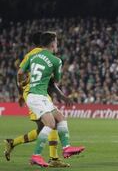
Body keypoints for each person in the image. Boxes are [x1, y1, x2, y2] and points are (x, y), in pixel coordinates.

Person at [4, 32, 72, 167]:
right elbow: (20, 74)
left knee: (46, 127)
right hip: (34, 93)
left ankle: (13, 143)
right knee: (50, 125)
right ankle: (53, 158)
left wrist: (59, 95)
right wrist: (21, 93)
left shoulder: (39, 54)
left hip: (40, 94)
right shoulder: (35, 54)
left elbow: (49, 81)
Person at [17, 32, 85, 167]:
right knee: (50, 123)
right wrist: (61, 94)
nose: (57, 44)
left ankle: (67, 148)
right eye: (57, 42)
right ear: (53, 43)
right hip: (37, 96)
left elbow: (20, 73)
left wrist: (21, 87)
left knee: (60, 117)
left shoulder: (33, 55)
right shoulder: (56, 61)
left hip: (36, 95)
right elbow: (55, 81)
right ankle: (36, 156)